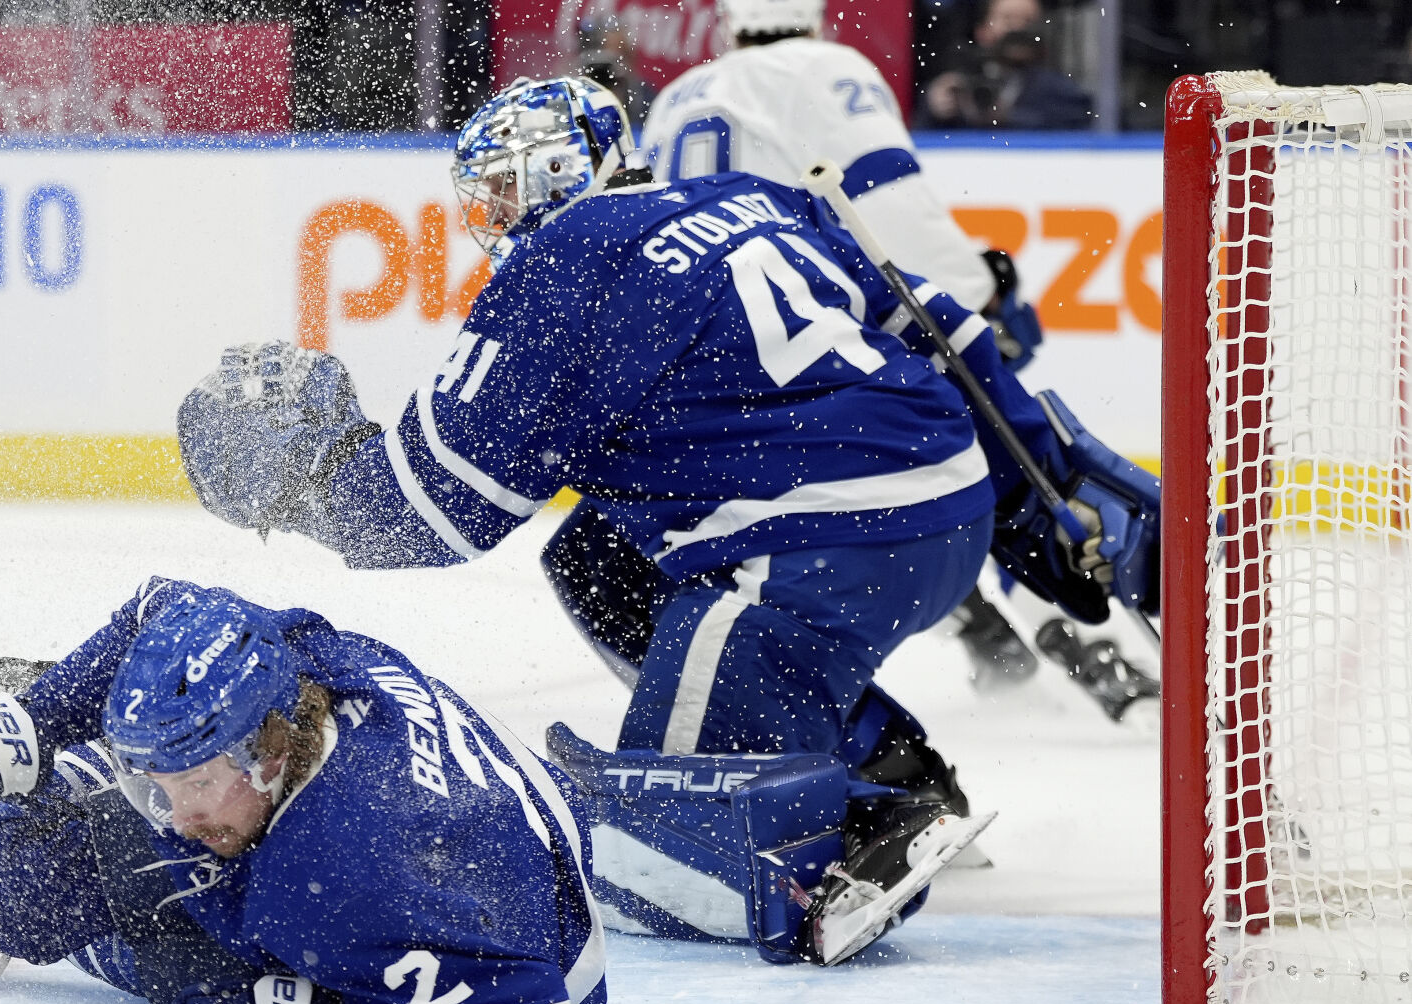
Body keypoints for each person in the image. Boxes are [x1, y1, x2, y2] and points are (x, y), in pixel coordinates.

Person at [173, 74, 1154, 885]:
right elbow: (941, 327)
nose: (496, 222)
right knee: (598, 554)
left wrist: (308, 477)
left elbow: (432, 513)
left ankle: (846, 827)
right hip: (944, 513)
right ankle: (886, 769)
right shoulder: (745, 195)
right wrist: (1043, 489)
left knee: (654, 856)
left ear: (562, 176)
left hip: (817, 553)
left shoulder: (563, 264)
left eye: (507, 192)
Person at [0, 580, 607, 1004]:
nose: (176, 814)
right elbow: (167, 610)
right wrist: (32, 721)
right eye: (152, 777)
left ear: (273, 745)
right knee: (46, 873)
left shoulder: (351, 885)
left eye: (190, 777)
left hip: (467, 907)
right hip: (487, 836)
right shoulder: (298, 658)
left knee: (27, 897)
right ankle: (81, 744)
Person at [637, 0, 1155, 719]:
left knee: (848, 500)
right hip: (813, 340)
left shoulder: (674, 99)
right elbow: (890, 205)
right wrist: (980, 292)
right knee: (965, 465)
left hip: (716, 377)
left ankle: (972, 633)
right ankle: (1076, 645)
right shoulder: (823, 69)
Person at [918, 0, 1094, 131]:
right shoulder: (960, 81)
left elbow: (1080, 126)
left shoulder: (1060, 92)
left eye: (1028, 21)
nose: (1017, 28)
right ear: (982, 30)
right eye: (1008, 20)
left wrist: (1009, 117)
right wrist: (931, 109)